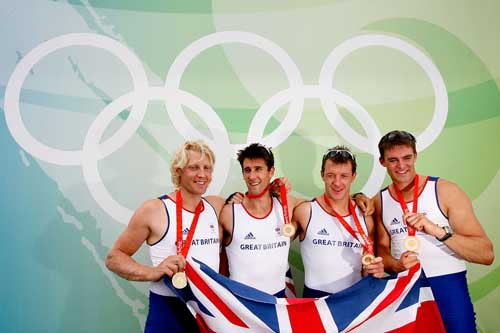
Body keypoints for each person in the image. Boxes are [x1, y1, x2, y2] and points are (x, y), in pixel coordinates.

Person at [374, 130, 494, 333]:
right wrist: (396, 264)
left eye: (407, 158)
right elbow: (382, 252)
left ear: (415, 156)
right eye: (393, 160)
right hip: (407, 288)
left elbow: (486, 254)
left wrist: (436, 230)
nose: (401, 166)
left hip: (448, 285)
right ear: (382, 162)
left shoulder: (445, 191)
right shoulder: (379, 200)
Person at [105, 140, 224, 333]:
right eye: (194, 167)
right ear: (178, 171)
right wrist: (152, 272)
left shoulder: (216, 206)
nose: (202, 174)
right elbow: (114, 257)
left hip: (208, 312)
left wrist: (278, 190)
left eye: (207, 168)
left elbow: (255, 209)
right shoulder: (154, 209)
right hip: (168, 309)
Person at [292, 146, 384, 297]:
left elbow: (367, 268)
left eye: (344, 176)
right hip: (315, 301)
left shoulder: (366, 215)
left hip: (354, 299)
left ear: (353, 176)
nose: (337, 182)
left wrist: (373, 271)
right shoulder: (305, 211)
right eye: (331, 175)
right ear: (322, 175)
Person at [219, 143, 302, 296]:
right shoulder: (229, 212)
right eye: (247, 170)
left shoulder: (287, 204)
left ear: (271, 172)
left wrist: (357, 198)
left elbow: (321, 208)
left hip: (278, 300)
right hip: (241, 304)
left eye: (258, 169)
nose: (252, 176)